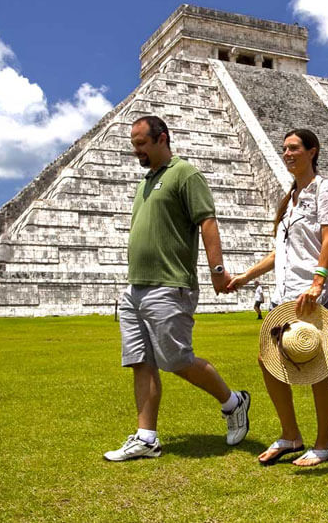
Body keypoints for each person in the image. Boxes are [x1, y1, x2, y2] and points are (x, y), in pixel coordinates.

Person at [104, 115, 250, 461]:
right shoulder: (146, 181)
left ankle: (234, 402)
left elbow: (207, 221)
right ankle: (146, 437)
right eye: (133, 144)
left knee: (177, 361)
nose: (135, 150)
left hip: (170, 286)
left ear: (161, 138)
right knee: (141, 362)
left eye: (141, 143)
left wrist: (218, 270)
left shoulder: (185, 174)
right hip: (135, 289)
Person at [228, 128, 328, 467]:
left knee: (317, 366)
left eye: (294, 148)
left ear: (312, 151)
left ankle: (324, 444)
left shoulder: (325, 190)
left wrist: (318, 282)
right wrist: (246, 276)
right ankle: (291, 434)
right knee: (269, 361)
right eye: (284, 149)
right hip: (284, 293)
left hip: (309, 293)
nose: (287, 153)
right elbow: (280, 252)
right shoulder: (289, 197)